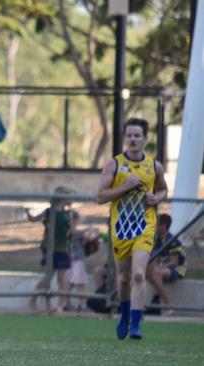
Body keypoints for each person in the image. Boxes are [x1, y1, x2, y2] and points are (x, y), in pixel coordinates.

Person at [97, 117, 168, 340]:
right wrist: (125, 187)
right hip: (120, 229)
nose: (133, 139)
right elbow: (100, 196)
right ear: (125, 138)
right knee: (124, 277)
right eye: (129, 135)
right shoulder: (114, 164)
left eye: (138, 135)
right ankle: (125, 315)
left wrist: (155, 198)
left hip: (145, 226)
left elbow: (163, 190)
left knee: (139, 275)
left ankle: (136, 324)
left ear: (146, 139)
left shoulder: (154, 166)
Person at [25, 186, 77, 313]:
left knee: (62, 277)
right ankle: (33, 301)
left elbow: (71, 232)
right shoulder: (49, 211)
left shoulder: (70, 214)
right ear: (62, 198)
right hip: (49, 247)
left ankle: (61, 305)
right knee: (49, 276)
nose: (72, 199)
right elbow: (33, 219)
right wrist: (28, 212)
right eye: (70, 196)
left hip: (63, 248)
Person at [146, 213, 187, 316]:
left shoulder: (172, 241)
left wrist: (158, 267)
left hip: (179, 269)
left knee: (156, 273)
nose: (154, 228)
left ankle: (168, 307)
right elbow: (155, 258)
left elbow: (175, 262)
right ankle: (155, 302)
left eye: (156, 225)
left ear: (163, 226)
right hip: (165, 268)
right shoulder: (157, 240)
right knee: (150, 273)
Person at [67, 226, 101, 312]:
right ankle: (82, 305)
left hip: (74, 261)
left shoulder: (77, 234)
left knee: (71, 284)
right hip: (77, 262)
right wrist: (96, 233)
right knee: (80, 284)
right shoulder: (78, 233)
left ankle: (66, 303)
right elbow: (90, 237)